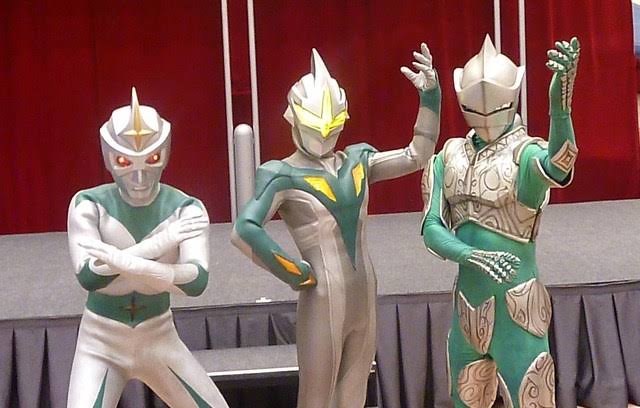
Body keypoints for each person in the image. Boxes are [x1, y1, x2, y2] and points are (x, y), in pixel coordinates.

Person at [231, 46, 441, 408]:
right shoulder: (281, 174)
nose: (325, 135)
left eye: (332, 126)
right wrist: (294, 272)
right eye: (317, 127)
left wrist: (430, 97)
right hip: (322, 297)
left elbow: (417, 155)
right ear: (295, 120)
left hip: (363, 291)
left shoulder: (356, 160)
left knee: (353, 396)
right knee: (316, 399)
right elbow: (244, 230)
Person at [421, 35, 580, 407]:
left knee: (532, 398)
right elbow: (431, 227)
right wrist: (470, 255)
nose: (485, 116)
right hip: (467, 305)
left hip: (517, 306)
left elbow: (558, 165)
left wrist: (560, 110)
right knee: (464, 400)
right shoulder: (449, 155)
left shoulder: (524, 153)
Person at [66, 88, 229, 408]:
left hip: (159, 337)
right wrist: (157, 246)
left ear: (165, 153)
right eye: (124, 162)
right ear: (108, 158)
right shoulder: (88, 205)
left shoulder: (186, 209)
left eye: (151, 159)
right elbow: (89, 276)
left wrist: (126, 262)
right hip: (100, 343)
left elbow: (196, 281)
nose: (139, 177)